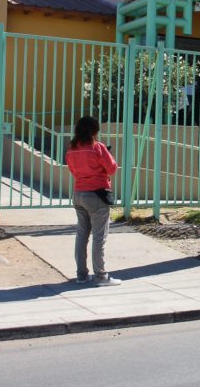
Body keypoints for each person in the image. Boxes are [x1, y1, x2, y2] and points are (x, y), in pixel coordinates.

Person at [65, 116, 121, 287]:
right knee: (99, 237)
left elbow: (73, 170)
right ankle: (101, 276)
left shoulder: (71, 150)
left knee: (82, 235)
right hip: (97, 194)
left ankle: (81, 275)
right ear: (94, 131)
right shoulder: (98, 147)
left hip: (79, 193)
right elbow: (112, 169)